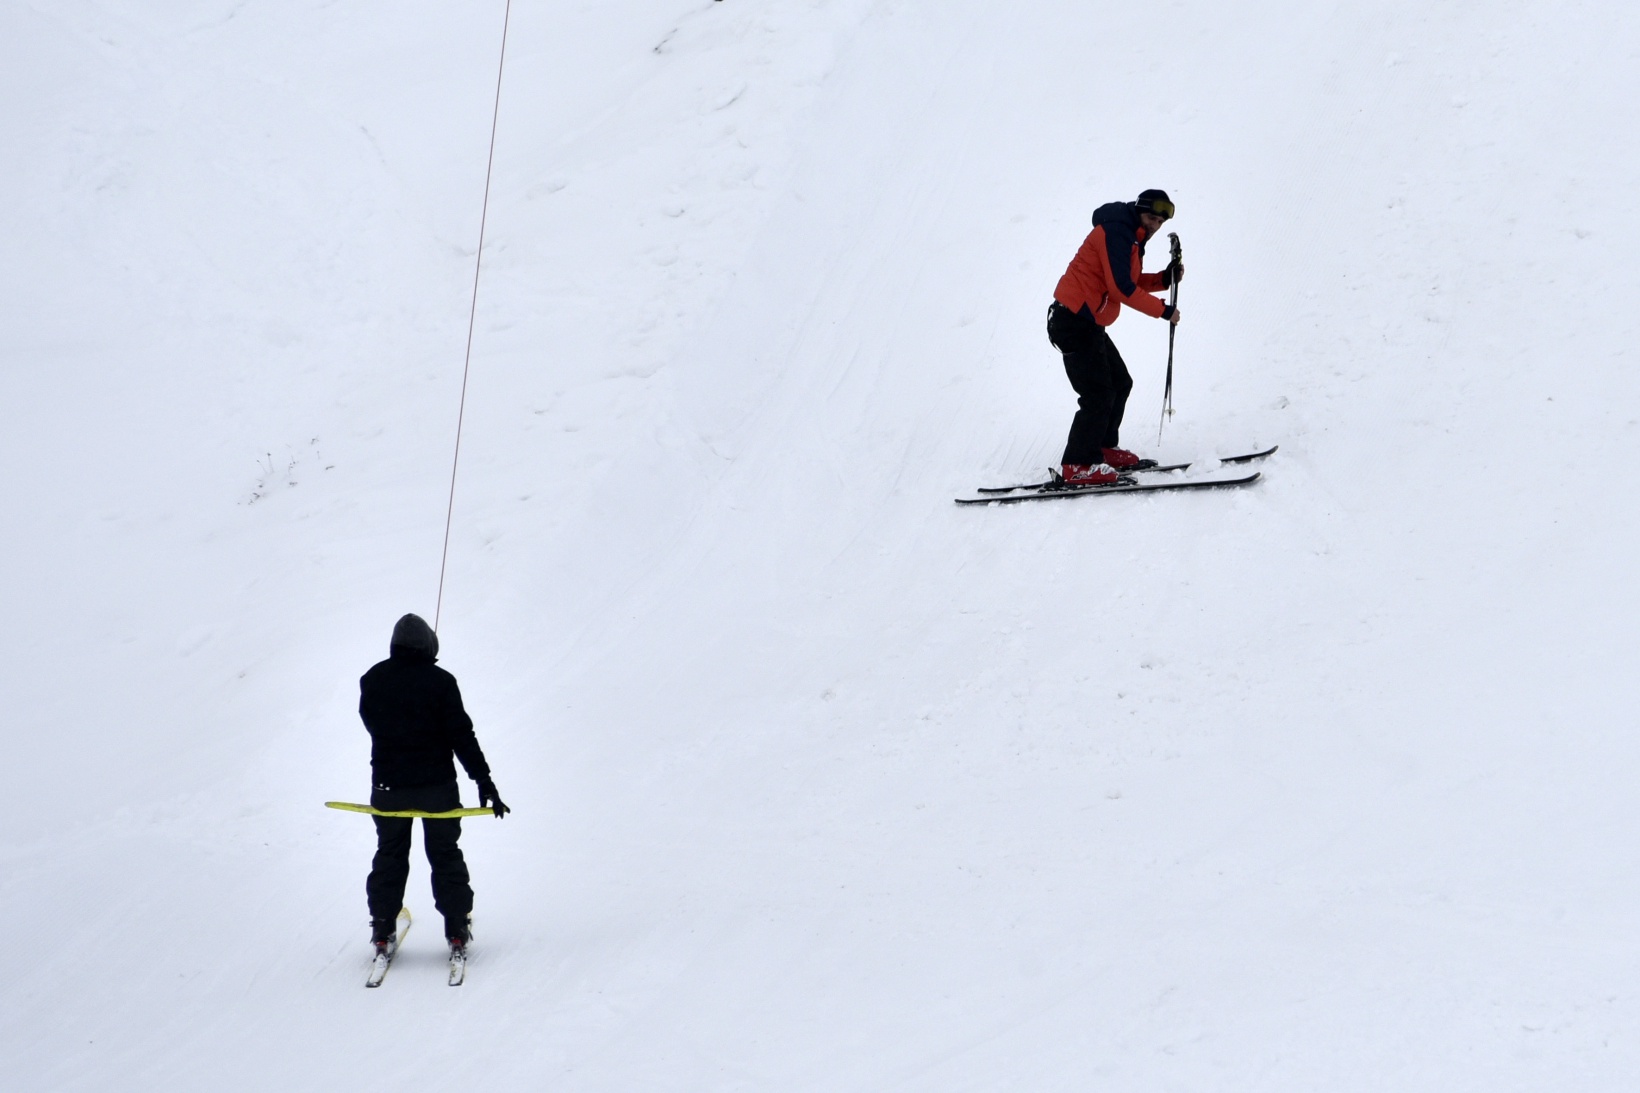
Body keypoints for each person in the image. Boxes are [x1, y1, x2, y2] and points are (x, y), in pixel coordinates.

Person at [358, 613, 508, 958]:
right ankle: (456, 929)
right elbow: (462, 737)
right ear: (427, 645)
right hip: (436, 788)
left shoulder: (373, 679)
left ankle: (382, 928)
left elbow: (373, 724)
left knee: (390, 854)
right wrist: (485, 783)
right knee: (444, 854)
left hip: (388, 787)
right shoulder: (441, 681)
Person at [1046, 189, 1184, 485]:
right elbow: (1122, 288)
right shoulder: (1117, 231)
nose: (1155, 225)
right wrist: (1163, 311)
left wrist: (1163, 279)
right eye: (1151, 217)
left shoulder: (1133, 237)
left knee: (1120, 383)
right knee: (1097, 394)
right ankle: (1079, 464)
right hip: (1072, 320)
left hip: (1087, 322)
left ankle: (1103, 448)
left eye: (1160, 221)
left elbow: (1127, 281)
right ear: (1139, 211)